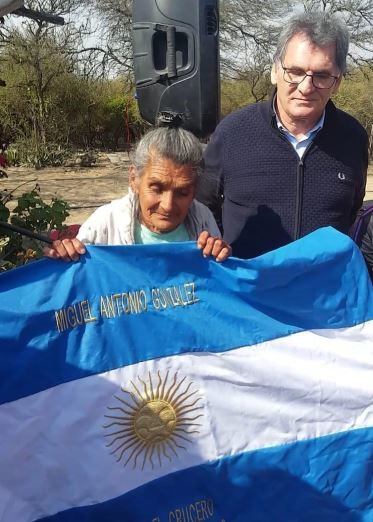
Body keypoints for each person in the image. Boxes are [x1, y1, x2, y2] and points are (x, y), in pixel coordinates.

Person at [199, 12, 368, 259]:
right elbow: (203, 209)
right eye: (295, 71)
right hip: (249, 291)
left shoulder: (353, 139)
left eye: (321, 75)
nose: (306, 86)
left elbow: (351, 211)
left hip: (322, 293)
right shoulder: (233, 132)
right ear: (275, 71)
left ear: (337, 82)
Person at [44, 126, 231, 262]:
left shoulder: (203, 219)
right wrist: (66, 254)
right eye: (156, 189)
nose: (168, 205)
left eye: (182, 192)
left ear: (195, 189)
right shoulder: (105, 223)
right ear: (134, 179)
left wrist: (220, 255)